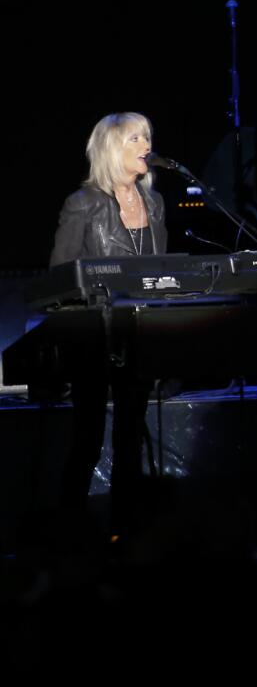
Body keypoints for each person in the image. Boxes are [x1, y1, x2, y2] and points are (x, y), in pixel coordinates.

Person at [50, 112, 168, 533]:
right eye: (135, 138)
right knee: (88, 438)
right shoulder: (83, 203)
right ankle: (70, 531)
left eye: (147, 137)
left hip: (137, 335)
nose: (146, 146)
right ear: (111, 149)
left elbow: (159, 274)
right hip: (92, 338)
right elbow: (60, 278)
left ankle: (127, 531)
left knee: (131, 436)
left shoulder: (154, 203)